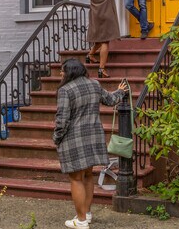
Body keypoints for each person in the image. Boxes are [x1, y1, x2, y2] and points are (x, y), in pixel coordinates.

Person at [53, 58, 128, 229]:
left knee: (76, 178)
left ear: (70, 72)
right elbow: (110, 100)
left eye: (62, 71)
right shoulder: (94, 84)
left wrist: (57, 138)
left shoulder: (65, 90)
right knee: (87, 176)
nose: (61, 73)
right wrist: (120, 91)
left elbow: (62, 119)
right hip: (94, 137)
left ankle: (80, 221)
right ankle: (86, 214)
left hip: (75, 139)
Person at [85, 0, 122, 78]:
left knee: (99, 39)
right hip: (106, 15)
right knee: (105, 41)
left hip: (95, 15)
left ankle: (90, 55)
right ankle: (101, 69)